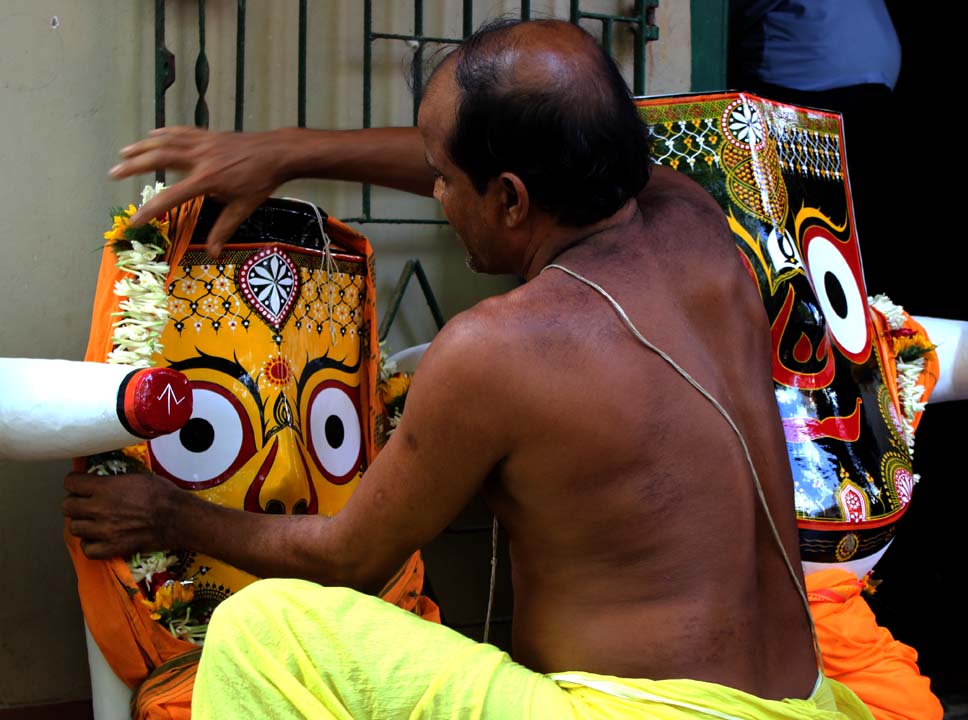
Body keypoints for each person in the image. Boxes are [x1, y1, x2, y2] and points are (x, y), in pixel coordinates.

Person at [62, 18, 875, 720]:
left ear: (513, 200)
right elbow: (516, 157)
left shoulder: (498, 348)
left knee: (263, 630)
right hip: (797, 700)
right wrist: (285, 154)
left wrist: (168, 517)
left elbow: (349, 558)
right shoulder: (697, 221)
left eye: (445, 181)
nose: (439, 196)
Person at [726, 0, 903, 297]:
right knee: (851, 215)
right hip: (867, 80)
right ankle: (867, 315)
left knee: (807, 217)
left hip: (813, 81)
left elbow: (726, 18)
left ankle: (815, 314)